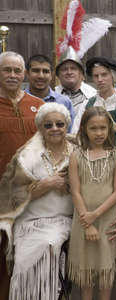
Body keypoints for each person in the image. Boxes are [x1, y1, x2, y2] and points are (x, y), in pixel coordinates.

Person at [0, 103, 73, 300]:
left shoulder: (77, 152)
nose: (55, 128)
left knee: (49, 244)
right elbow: (12, 194)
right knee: (26, 257)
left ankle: (48, 294)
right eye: (48, 125)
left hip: (64, 220)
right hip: (30, 221)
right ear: (40, 128)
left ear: (67, 125)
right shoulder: (27, 156)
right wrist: (45, 185)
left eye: (60, 124)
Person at [68, 106, 116, 300]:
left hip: (106, 221)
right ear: (84, 129)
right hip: (83, 223)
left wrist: (95, 215)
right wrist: (87, 222)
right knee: (86, 277)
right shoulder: (76, 156)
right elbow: (75, 191)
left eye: (103, 128)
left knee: (105, 276)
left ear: (109, 128)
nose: (99, 133)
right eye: (93, 128)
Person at [0, 51, 44, 299]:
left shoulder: (38, 107)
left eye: (17, 71)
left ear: (24, 74)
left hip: (34, 197)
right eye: (7, 70)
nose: (13, 75)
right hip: (2, 198)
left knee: (28, 258)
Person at [71, 56, 116, 134]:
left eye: (104, 75)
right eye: (96, 76)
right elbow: (76, 132)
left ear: (113, 76)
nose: (100, 79)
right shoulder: (86, 105)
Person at [25, 54, 75, 131]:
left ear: (51, 75)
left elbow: (69, 134)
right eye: (36, 71)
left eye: (45, 71)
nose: (41, 76)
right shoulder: (19, 101)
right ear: (27, 74)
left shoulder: (64, 102)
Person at [55, 47, 96, 116]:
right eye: (64, 69)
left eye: (73, 69)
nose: (69, 72)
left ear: (81, 74)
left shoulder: (93, 95)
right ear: (58, 75)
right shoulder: (52, 95)